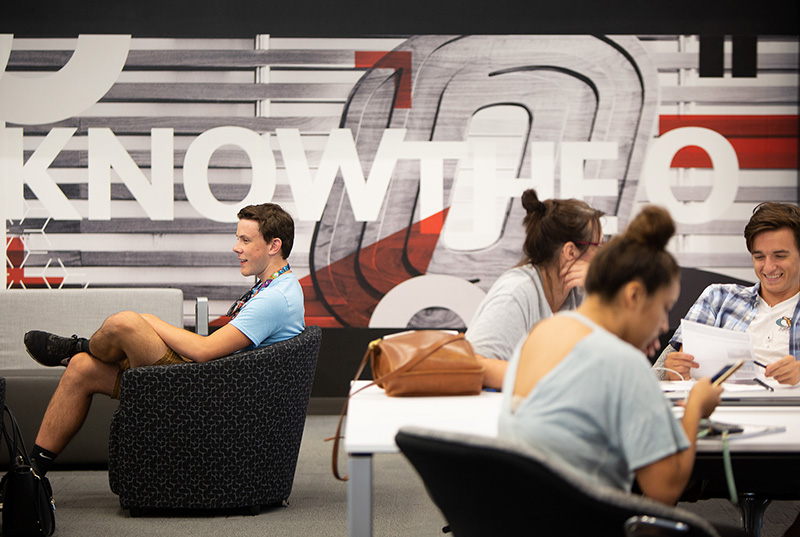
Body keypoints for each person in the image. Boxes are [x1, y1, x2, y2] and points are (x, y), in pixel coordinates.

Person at [22, 203, 305, 476]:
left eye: (245, 239)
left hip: (215, 400)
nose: (236, 247)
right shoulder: (276, 286)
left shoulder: (275, 298)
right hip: (217, 384)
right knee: (81, 369)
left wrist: (150, 320)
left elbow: (206, 350)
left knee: (127, 323)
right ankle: (31, 473)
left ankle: (78, 346)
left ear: (273, 246)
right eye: (237, 238)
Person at [499, 206, 727, 513]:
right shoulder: (621, 363)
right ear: (633, 295)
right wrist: (696, 407)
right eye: (664, 307)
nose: (663, 325)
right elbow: (665, 488)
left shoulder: (540, 333)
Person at [465, 188, 604, 389]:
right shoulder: (515, 292)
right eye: (597, 246)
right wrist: (555, 381)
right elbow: (474, 364)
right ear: (570, 251)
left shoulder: (582, 291)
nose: (603, 254)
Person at [653, 201, 800, 386]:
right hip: (717, 409)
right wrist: (674, 373)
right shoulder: (718, 298)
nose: (769, 267)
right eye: (759, 257)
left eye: (780, 256)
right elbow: (675, 372)